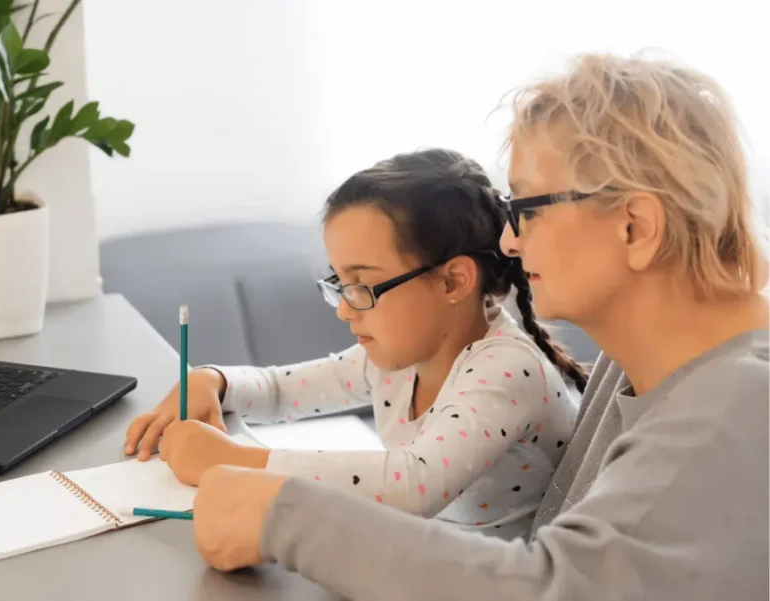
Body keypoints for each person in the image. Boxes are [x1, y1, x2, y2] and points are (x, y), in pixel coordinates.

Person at [188, 52, 769, 600]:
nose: (510, 241)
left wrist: (282, 515)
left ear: (635, 227)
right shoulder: (650, 362)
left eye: (528, 209)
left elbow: (547, 588)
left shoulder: (732, 408)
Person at [125, 148, 588, 538]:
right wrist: (213, 381)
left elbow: (412, 486)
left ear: (452, 282)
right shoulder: (398, 358)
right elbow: (282, 390)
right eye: (339, 283)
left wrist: (234, 461)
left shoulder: (505, 369)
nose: (345, 309)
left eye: (363, 285)